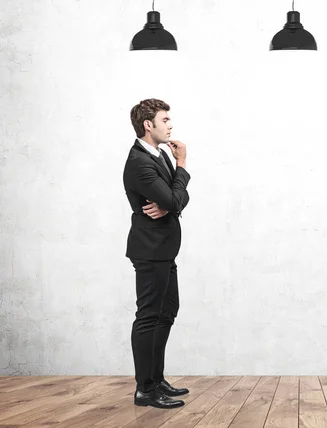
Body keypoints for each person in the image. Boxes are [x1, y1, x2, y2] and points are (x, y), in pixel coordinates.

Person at [123, 98, 191, 409]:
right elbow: (177, 200)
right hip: (149, 251)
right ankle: (145, 390)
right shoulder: (139, 161)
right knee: (149, 317)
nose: (170, 125)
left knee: (167, 312)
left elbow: (176, 201)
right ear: (148, 124)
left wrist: (170, 200)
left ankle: (156, 378)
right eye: (165, 120)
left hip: (164, 251)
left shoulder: (159, 154)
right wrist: (182, 165)